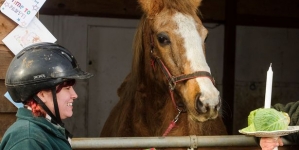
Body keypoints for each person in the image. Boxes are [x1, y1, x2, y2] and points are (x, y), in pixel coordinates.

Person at [0, 42, 93, 150]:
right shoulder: (28, 140)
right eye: (67, 88)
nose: (75, 95)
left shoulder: (44, 132)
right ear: (42, 94)